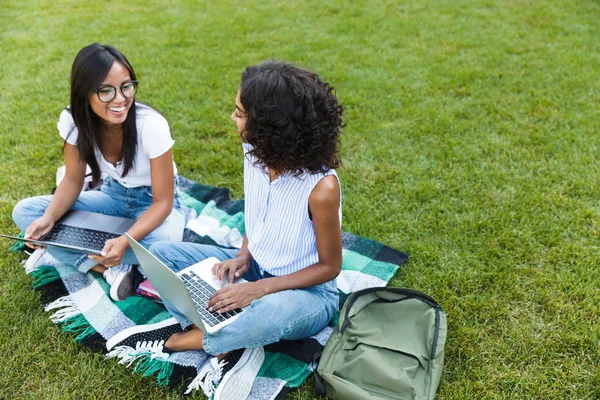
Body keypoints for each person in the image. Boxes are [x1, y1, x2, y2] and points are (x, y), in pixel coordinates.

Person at [149, 60, 344, 400]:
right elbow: (257, 216)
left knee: (269, 315)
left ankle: (194, 338)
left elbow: (331, 267)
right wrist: (242, 256)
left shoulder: (321, 188)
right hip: (254, 267)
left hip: (307, 294)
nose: (232, 118)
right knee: (159, 254)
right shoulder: (254, 152)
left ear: (271, 127)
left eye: (240, 113)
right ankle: (231, 334)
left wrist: (260, 290)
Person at [12, 43, 186, 301]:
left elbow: (163, 202)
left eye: (126, 86)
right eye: (106, 91)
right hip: (112, 197)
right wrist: (49, 219)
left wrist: (126, 241)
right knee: (26, 213)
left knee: (164, 246)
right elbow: (72, 180)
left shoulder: (152, 125)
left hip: (153, 204)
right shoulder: (74, 122)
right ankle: (105, 266)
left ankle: (71, 249)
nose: (120, 99)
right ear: (85, 94)